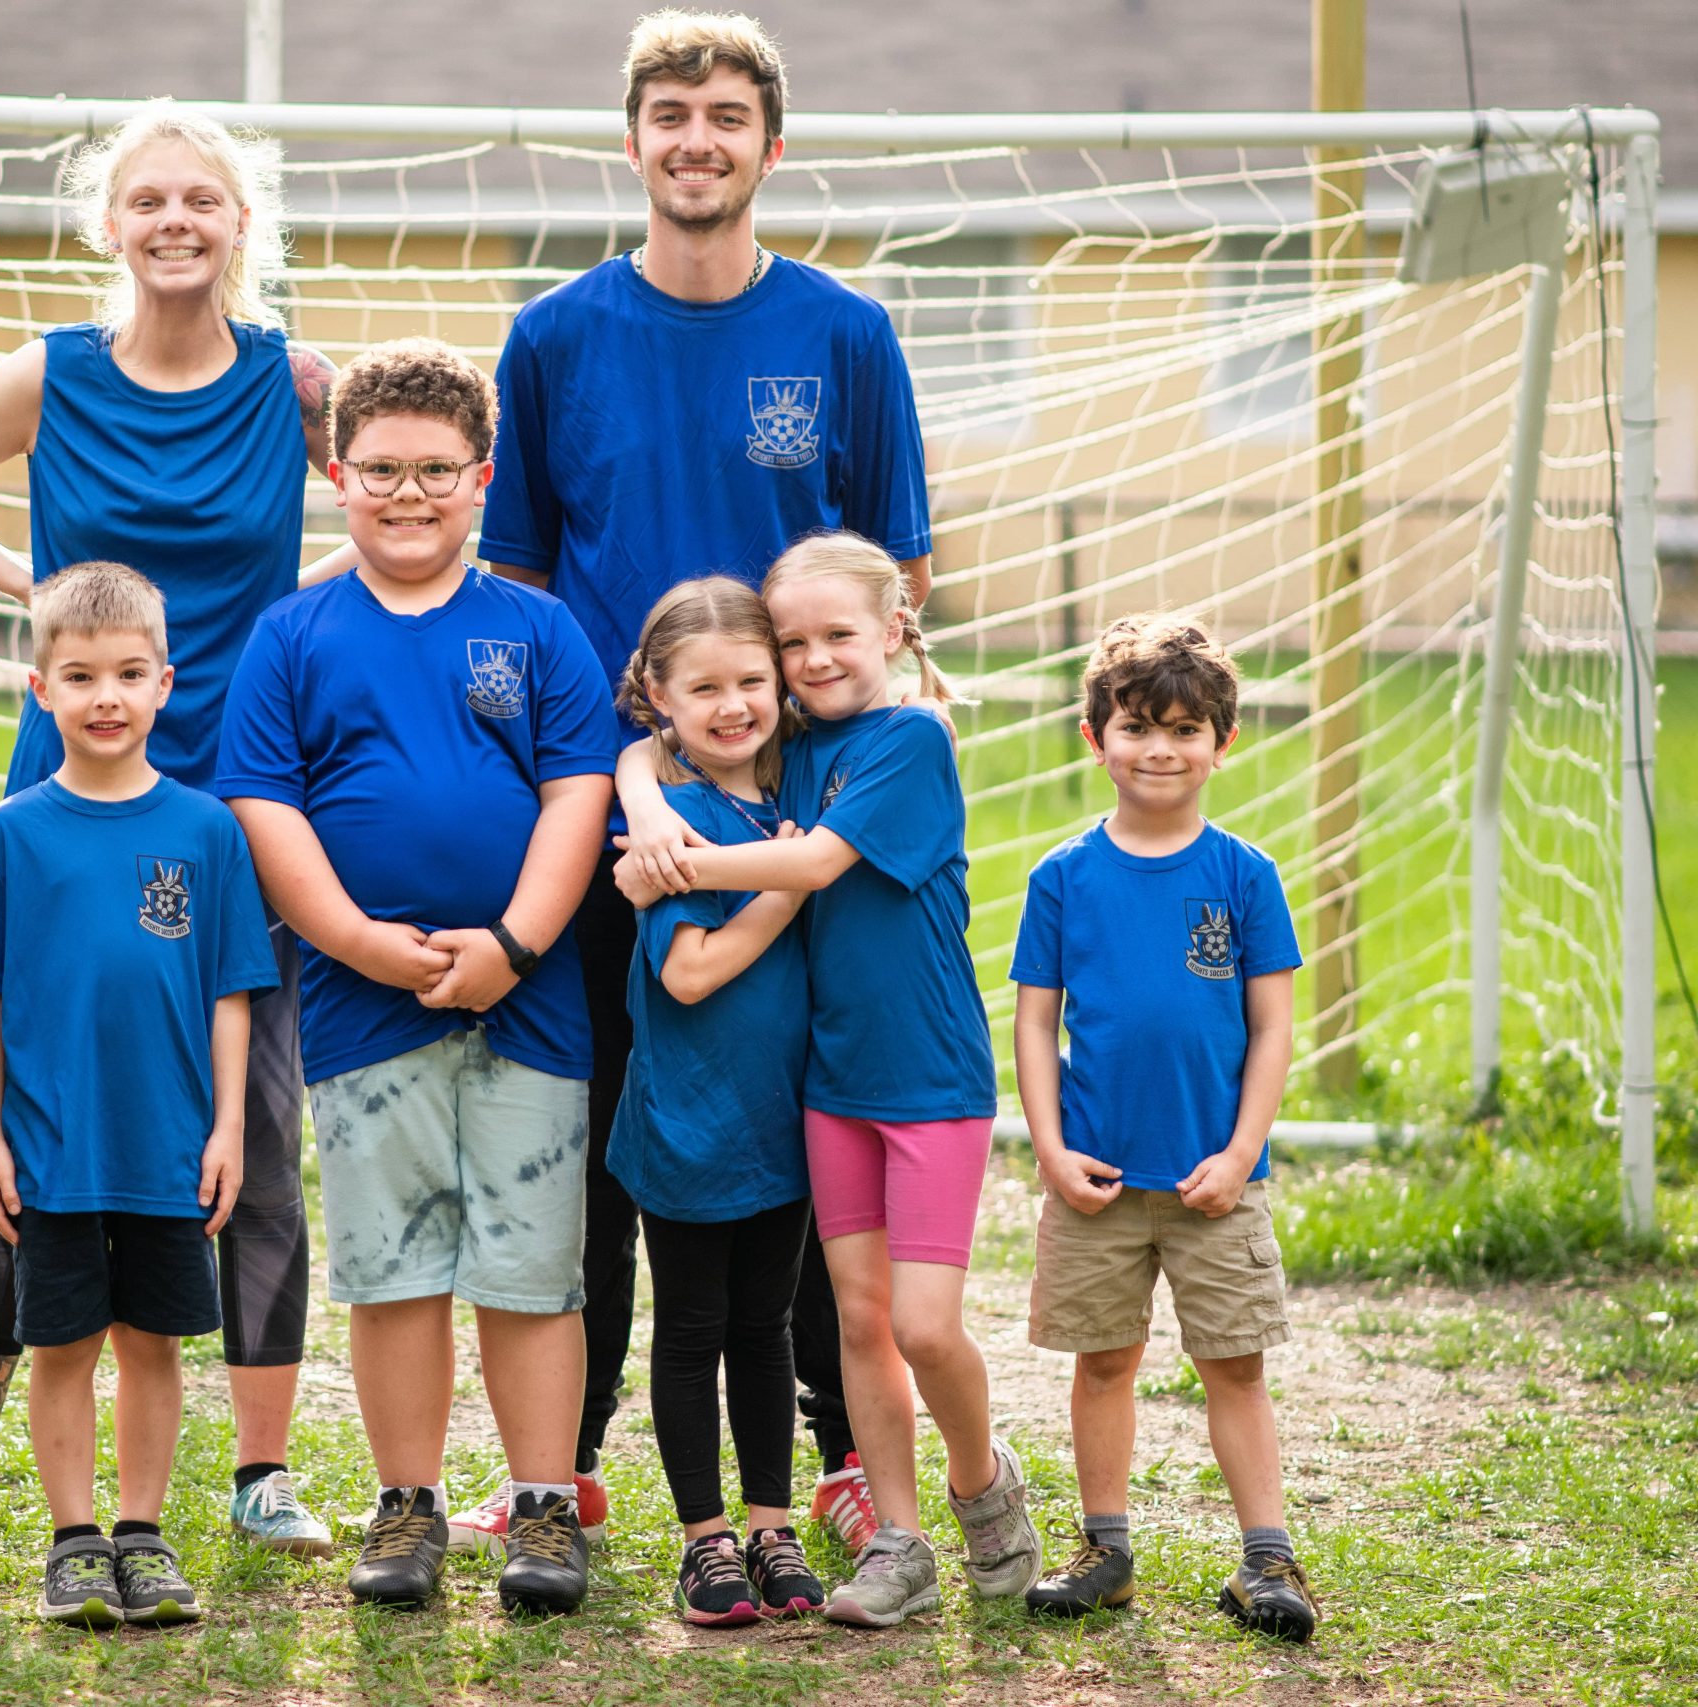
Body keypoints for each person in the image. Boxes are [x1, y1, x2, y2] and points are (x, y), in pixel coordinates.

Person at [475, 8, 929, 1552]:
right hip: (612, 814)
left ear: (771, 146)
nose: (697, 138)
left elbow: (895, 568)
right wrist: (621, 773)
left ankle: (831, 1456)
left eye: (726, 114)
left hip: (800, 819)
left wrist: (820, 760)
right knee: (619, 1124)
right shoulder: (552, 340)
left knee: (809, 1120)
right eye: (669, 112)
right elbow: (524, 590)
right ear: (632, 141)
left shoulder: (847, 336)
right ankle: (576, 1458)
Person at [0, 101, 341, 1557]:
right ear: (111, 225)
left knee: (251, 1124)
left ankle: (259, 1465)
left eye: (202, 198)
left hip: (240, 796)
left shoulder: (294, 380)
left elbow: (422, 475)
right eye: (148, 199)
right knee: (32, 1121)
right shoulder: (53, 372)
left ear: (241, 223)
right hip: (66, 798)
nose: (176, 221)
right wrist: (48, 593)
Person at [216, 339, 617, 1614]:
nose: (406, 495)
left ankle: (543, 1504)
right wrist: (361, 943)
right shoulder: (292, 637)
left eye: (434, 472)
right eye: (379, 469)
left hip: (531, 1004)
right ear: (336, 476)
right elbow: (267, 815)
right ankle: (407, 1504)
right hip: (357, 1004)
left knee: (530, 1264)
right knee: (394, 1269)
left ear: (482, 479)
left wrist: (513, 945)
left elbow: (576, 796)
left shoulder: (538, 629)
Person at [615, 532, 1037, 1626]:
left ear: (894, 630)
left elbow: (807, 864)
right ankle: (895, 1544)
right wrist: (649, 811)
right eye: (790, 641)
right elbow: (657, 751)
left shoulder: (906, 742)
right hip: (828, 1084)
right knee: (856, 1323)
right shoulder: (788, 750)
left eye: (835, 635)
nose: (809, 660)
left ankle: (980, 1479)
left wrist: (653, 865)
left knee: (925, 1325)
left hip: (930, 1076)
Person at [0, 561, 276, 1628]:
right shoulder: (11, 832)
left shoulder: (206, 832)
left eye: (128, 674)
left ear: (165, 685)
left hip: (168, 1142)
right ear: (39, 688)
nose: (106, 695)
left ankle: (141, 1535)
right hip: (52, 1144)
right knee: (61, 1345)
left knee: (153, 1343)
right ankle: (73, 1541)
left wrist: (229, 1126)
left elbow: (233, 994)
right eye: (81, 675)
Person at [1012, 614, 1317, 1641]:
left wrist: (1239, 1154)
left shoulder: (1243, 876)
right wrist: (1048, 1150)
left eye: (1185, 730)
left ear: (1221, 745)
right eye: (1137, 726)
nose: (1160, 749)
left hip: (1213, 1180)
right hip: (1097, 1177)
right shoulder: (1061, 878)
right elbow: (1034, 1020)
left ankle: (1267, 1561)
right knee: (1103, 1361)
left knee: (1234, 1364)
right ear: (1093, 736)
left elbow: (1272, 1027)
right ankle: (1105, 1549)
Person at [608, 578, 825, 1627]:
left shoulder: (788, 791)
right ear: (658, 696)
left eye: (752, 680)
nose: (733, 704)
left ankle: (772, 1525)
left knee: (768, 1325)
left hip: (783, 1119)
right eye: (705, 687)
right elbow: (688, 974)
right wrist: (790, 881)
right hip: (690, 1121)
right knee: (693, 1329)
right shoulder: (674, 825)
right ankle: (705, 1543)